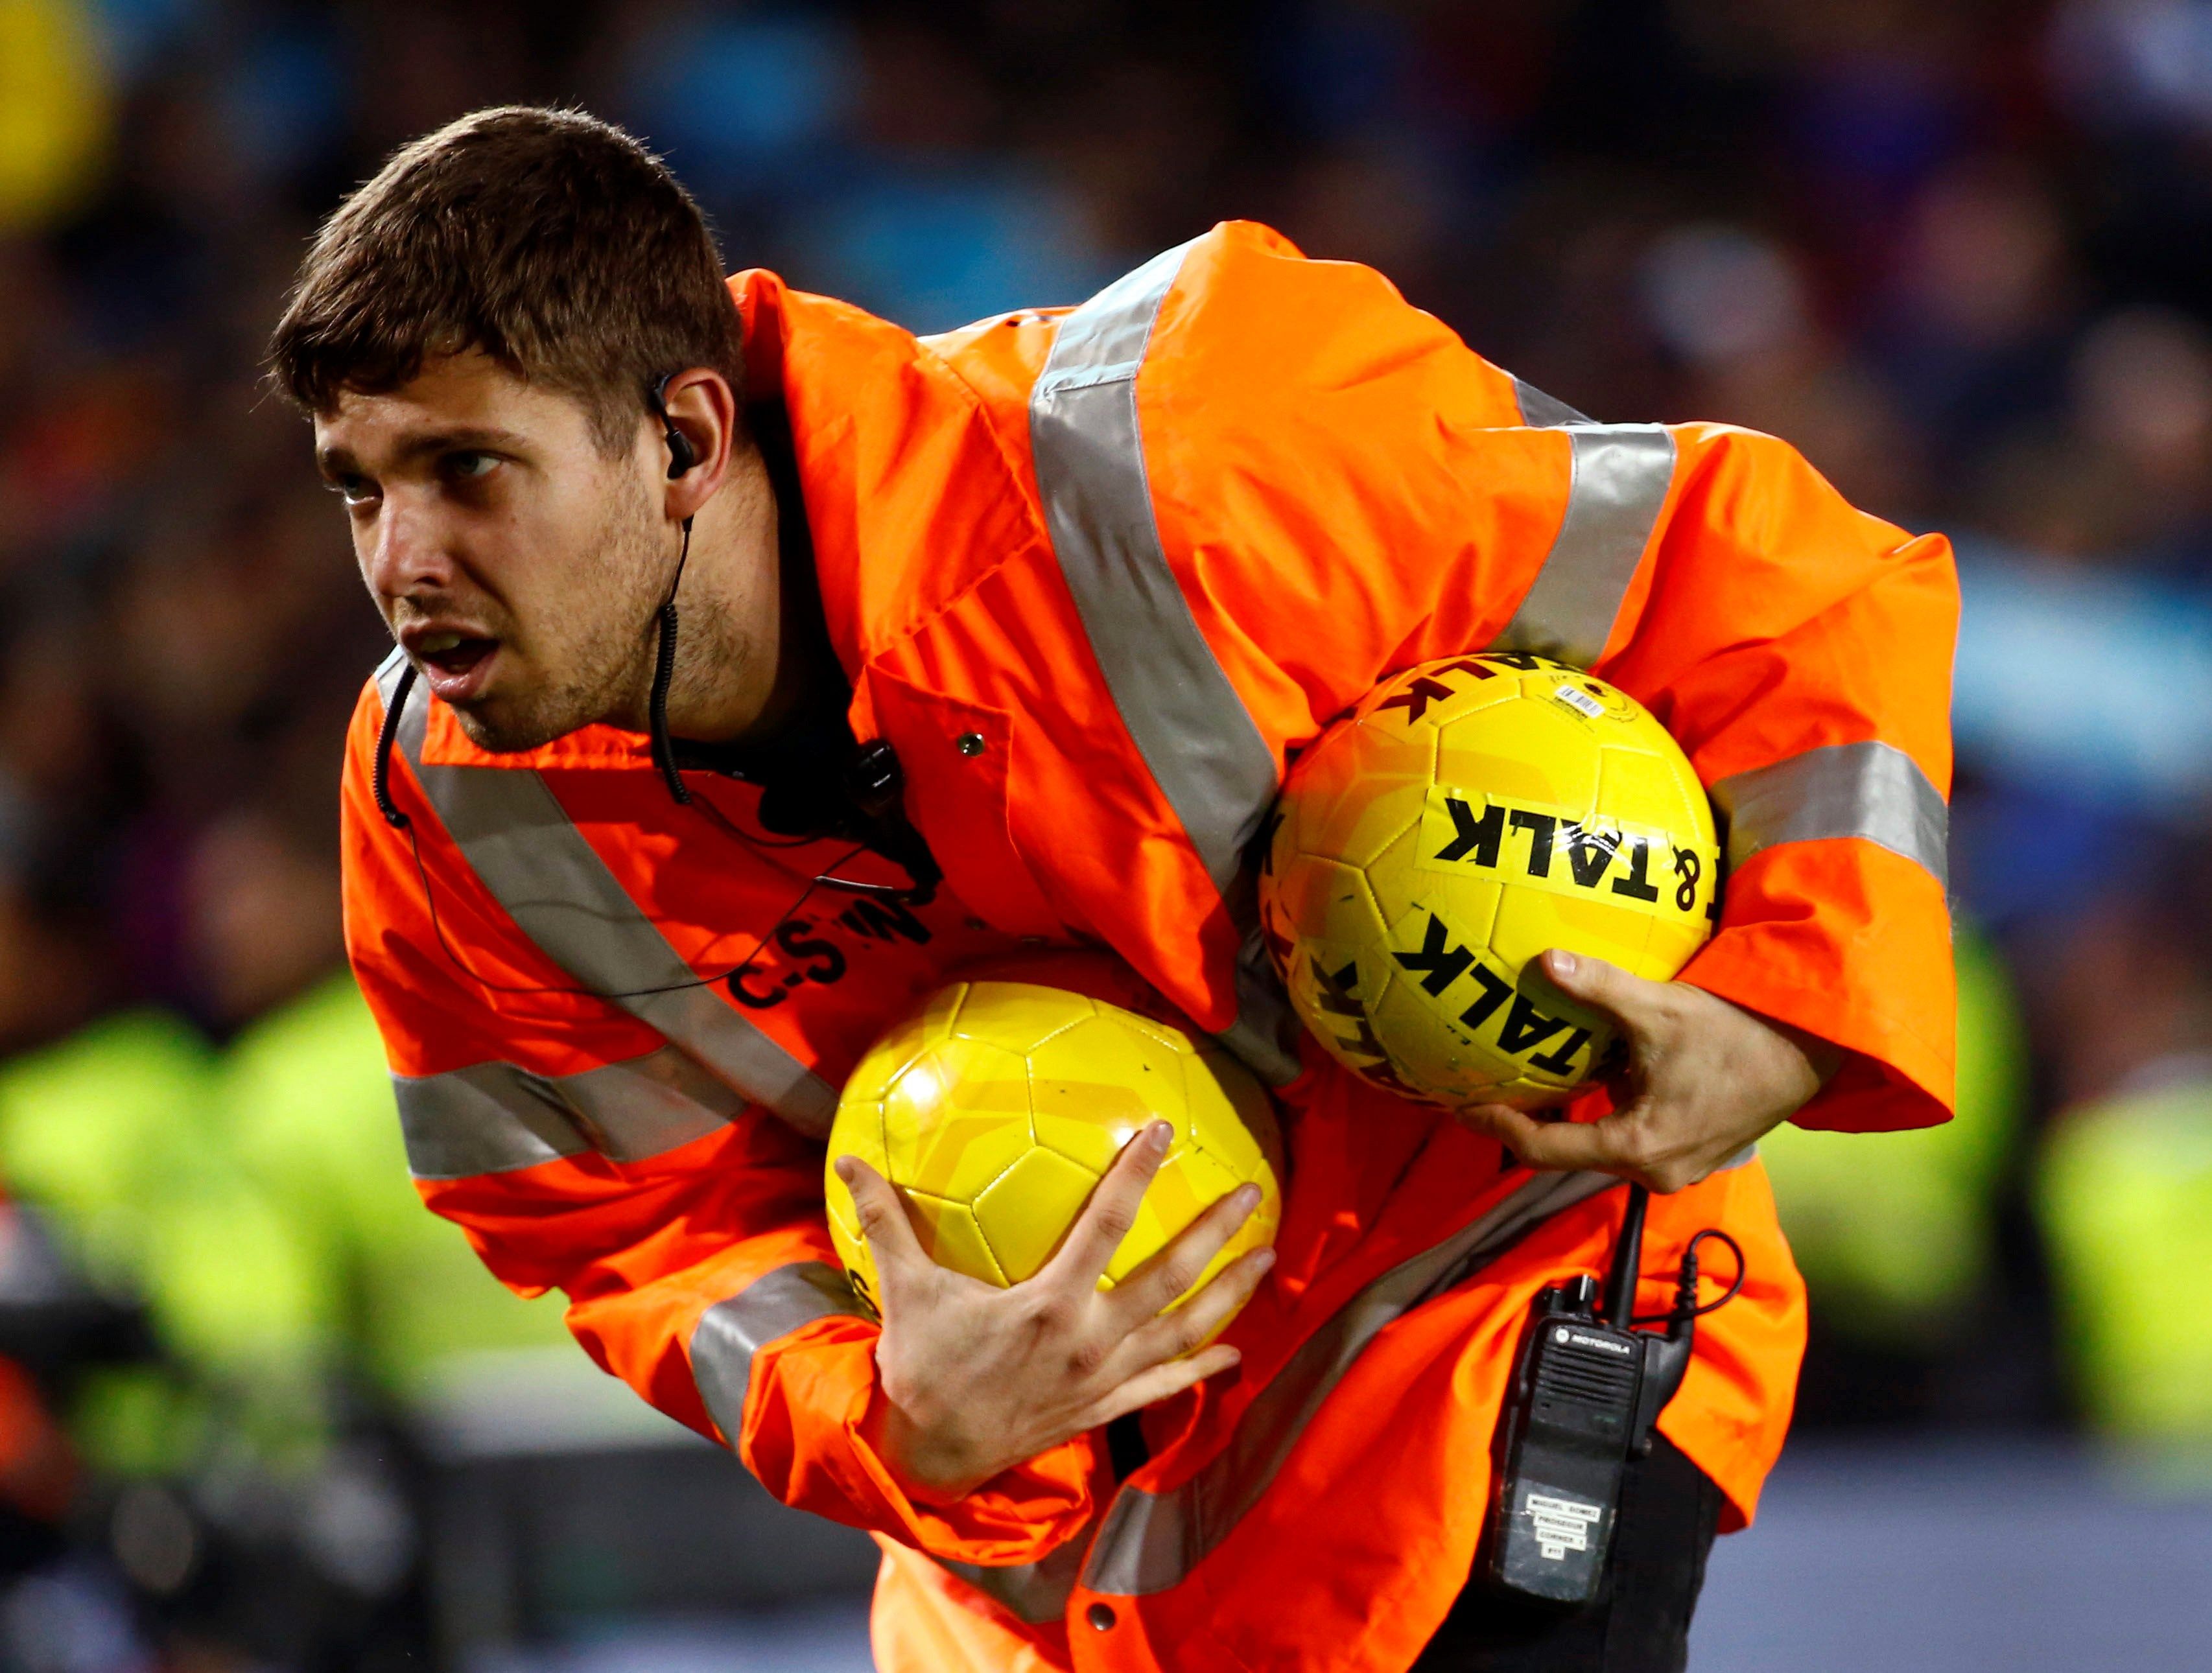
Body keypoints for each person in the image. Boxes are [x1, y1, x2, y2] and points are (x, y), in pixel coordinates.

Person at [270, 107, 1958, 1672]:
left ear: (685, 437)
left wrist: (1775, 1013)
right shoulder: (443, 816)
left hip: (1480, 1341)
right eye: (361, 486)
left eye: (467, 472)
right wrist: (889, 1415)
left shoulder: (1185, 455)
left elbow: (1780, 587)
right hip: (1019, 1567)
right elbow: (627, 1227)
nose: (399, 563)